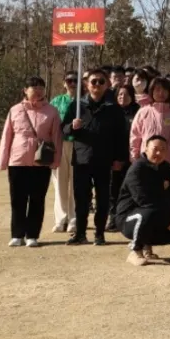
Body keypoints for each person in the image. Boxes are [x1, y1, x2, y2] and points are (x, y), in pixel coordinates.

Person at [62, 69, 128, 245]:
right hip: (82, 159)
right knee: (81, 199)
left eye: (101, 81)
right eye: (93, 81)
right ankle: (80, 234)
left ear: (107, 85)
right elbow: (63, 130)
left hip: (104, 160)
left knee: (103, 199)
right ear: (86, 84)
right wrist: (72, 127)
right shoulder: (77, 106)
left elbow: (121, 136)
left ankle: (99, 234)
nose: (97, 84)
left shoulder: (114, 109)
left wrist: (119, 159)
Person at [0, 76, 63, 247]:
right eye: (34, 87)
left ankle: (32, 235)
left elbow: (57, 137)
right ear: (25, 90)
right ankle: (17, 235)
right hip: (18, 160)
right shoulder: (15, 110)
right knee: (17, 199)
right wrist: (3, 160)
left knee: (37, 199)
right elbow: (7, 135)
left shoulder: (52, 111)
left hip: (41, 161)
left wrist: (56, 161)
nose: (38, 91)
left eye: (41, 87)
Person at [114, 135, 170, 266]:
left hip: (154, 213)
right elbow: (143, 200)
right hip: (129, 218)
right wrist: (167, 219)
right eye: (155, 149)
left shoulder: (167, 170)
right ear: (146, 149)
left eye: (163, 150)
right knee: (149, 212)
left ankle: (146, 246)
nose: (159, 153)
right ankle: (135, 251)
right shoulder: (137, 169)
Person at [130, 77, 170, 169]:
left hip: (168, 159)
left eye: (164, 90)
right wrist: (134, 157)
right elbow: (135, 136)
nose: (161, 93)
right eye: (157, 89)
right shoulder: (143, 111)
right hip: (145, 158)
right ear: (152, 91)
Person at [105, 84, 139, 233]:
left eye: (126, 94)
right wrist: (114, 158)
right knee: (113, 190)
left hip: (132, 158)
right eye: (120, 94)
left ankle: (128, 218)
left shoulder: (138, 112)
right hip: (114, 159)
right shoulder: (110, 111)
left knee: (131, 190)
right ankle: (113, 218)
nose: (122, 97)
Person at [48, 71, 78, 235]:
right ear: (64, 83)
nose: (73, 84)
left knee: (75, 184)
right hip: (59, 144)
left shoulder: (83, 101)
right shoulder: (56, 102)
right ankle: (61, 219)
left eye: (76, 81)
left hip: (78, 145)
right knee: (60, 183)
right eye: (69, 81)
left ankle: (73, 219)